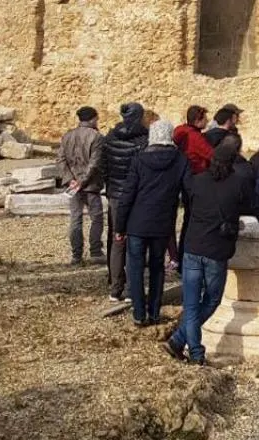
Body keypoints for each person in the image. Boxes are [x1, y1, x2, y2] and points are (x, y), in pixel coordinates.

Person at [166, 136, 259, 364]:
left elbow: (192, 208)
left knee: (191, 304)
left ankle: (181, 343)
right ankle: (194, 352)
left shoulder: (196, 182)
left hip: (193, 246)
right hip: (217, 249)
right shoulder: (239, 184)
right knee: (212, 300)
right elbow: (258, 208)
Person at [115, 119, 187, 327]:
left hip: (137, 222)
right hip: (162, 222)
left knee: (135, 269)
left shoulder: (139, 160)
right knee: (157, 268)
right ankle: (154, 312)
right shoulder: (179, 160)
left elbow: (128, 194)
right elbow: (187, 190)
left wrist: (120, 226)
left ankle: (139, 313)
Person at [102, 103, 148, 302]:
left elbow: (103, 166)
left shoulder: (110, 137)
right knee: (133, 241)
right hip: (135, 194)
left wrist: (110, 187)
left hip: (114, 194)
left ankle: (115, 288)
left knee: (117, 239)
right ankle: (131, 289)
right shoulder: (144, 139)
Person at [58, 105, 106, 265]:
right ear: (93, 119)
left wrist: (69, 179)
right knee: (97, 218)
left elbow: (61, 160)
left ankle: (76, 255)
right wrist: (83, 180)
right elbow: (95, 163)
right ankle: (95, 251)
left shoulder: (67, 136)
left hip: (72, 184)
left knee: (75, 219)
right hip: (90, 184)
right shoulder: (96, 136)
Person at [173, 106, 214, 173]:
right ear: (197, 120)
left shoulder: (179, 130)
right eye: (205, 119)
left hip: (182, 170)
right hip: (196, 171)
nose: (207, 121)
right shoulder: (195, 137)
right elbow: (211, 155)